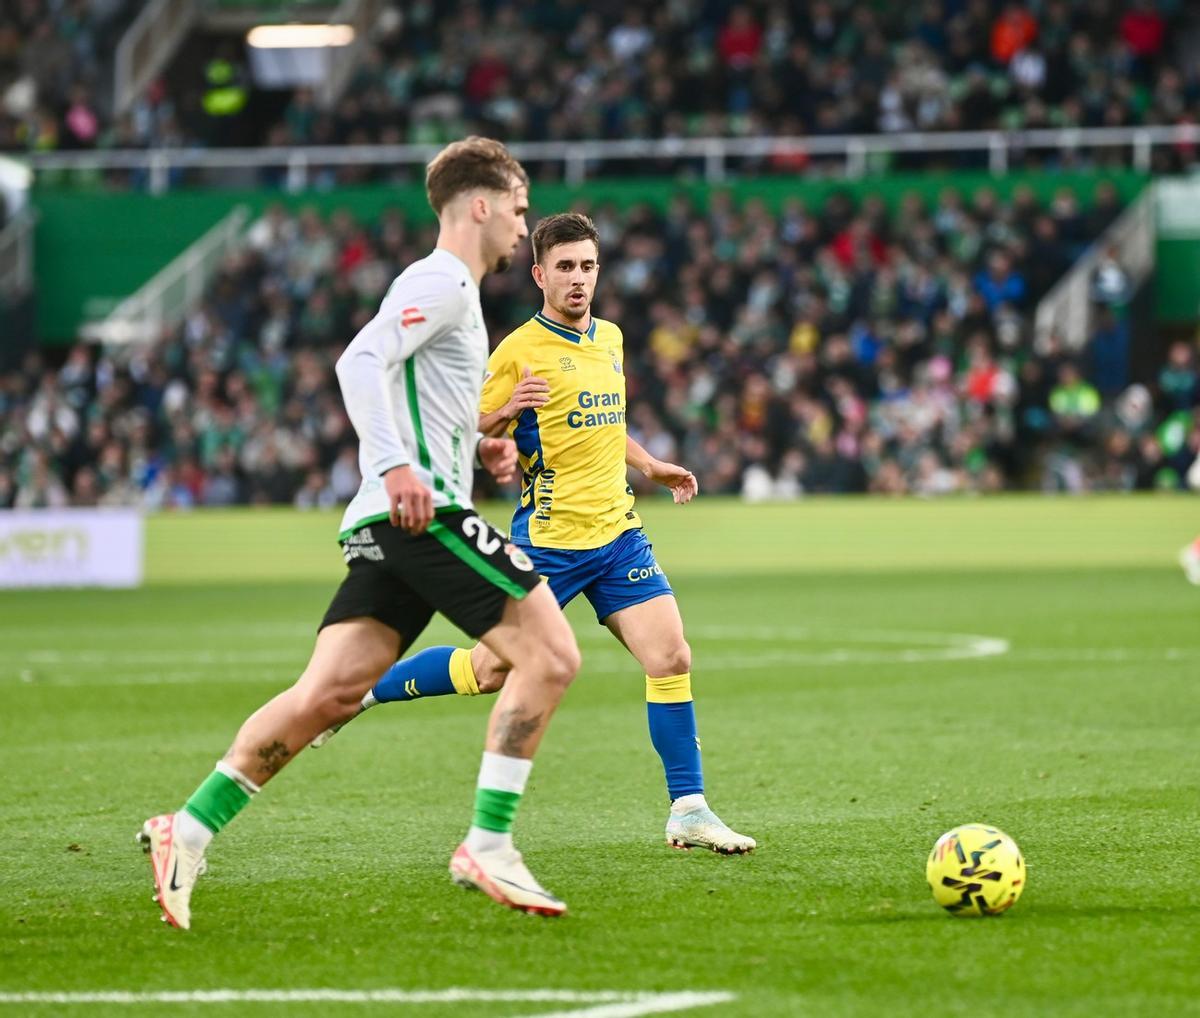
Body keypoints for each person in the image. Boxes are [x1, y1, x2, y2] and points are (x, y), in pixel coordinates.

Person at [138, 137, 582, 929]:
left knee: (331, 695)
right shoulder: (441, 280)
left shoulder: (452, 291)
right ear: (479, 205)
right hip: (420, 516)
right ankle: (488, 841)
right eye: (518, 209)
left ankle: (189, 827)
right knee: (551, 655)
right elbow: (360, 360)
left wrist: (471, 445)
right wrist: (399, 467)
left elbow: (414, 392)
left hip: (394, 517)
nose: (524, 226)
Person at [315, 213, 755, 855]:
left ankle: (688, 809)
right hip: (548, 541)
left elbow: (603, 422)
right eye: (566, 267)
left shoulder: (611, 338)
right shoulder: (516, 350)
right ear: (539, 274)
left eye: (588, 266)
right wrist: (504, 410)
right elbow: (461, 428)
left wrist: (651, 465)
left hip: (618, 534)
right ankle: (362, 693)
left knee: (671, 658)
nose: (579, 279)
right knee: (491, 671)